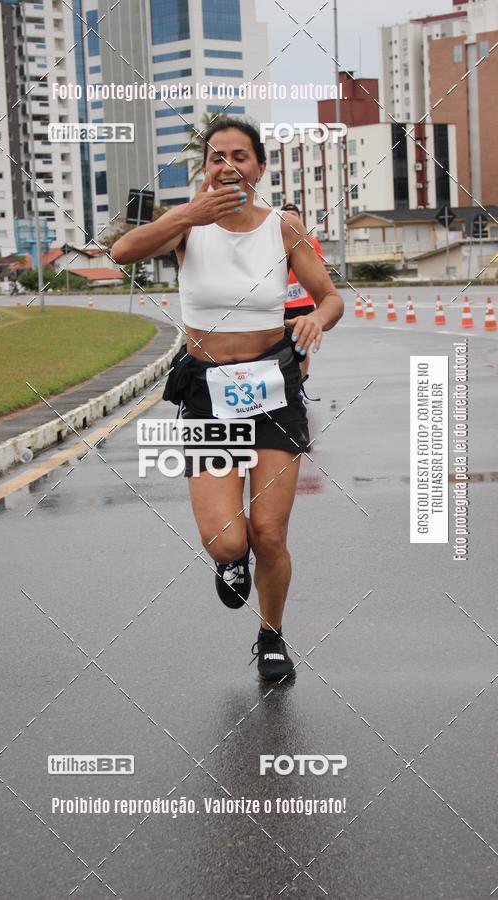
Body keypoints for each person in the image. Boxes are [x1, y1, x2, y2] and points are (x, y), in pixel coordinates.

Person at [111, 117, 344, 682]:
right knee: (226, 541)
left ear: (259, 167)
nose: (227, 165)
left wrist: (315, 319)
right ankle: (229, 564)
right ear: (205, 169)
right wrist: (187, 214)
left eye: (240, 155)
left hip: (271, 388)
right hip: (209, 392)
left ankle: (271, 635)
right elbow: (122, 252)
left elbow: (330, 296)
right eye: (216, 157)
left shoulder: (282, 228)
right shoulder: (187, 226)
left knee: (270, 532)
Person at [281, 202, 326, 383]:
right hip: (280, 304)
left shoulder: (311, 241)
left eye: (294, 215)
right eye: (286, 215)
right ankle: (285, 383)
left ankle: (300, 381)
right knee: (281, 346)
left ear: (300, 218)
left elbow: (319, 272)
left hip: (303, 303)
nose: (291, 218)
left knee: (300, 347)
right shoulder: (275, 240)